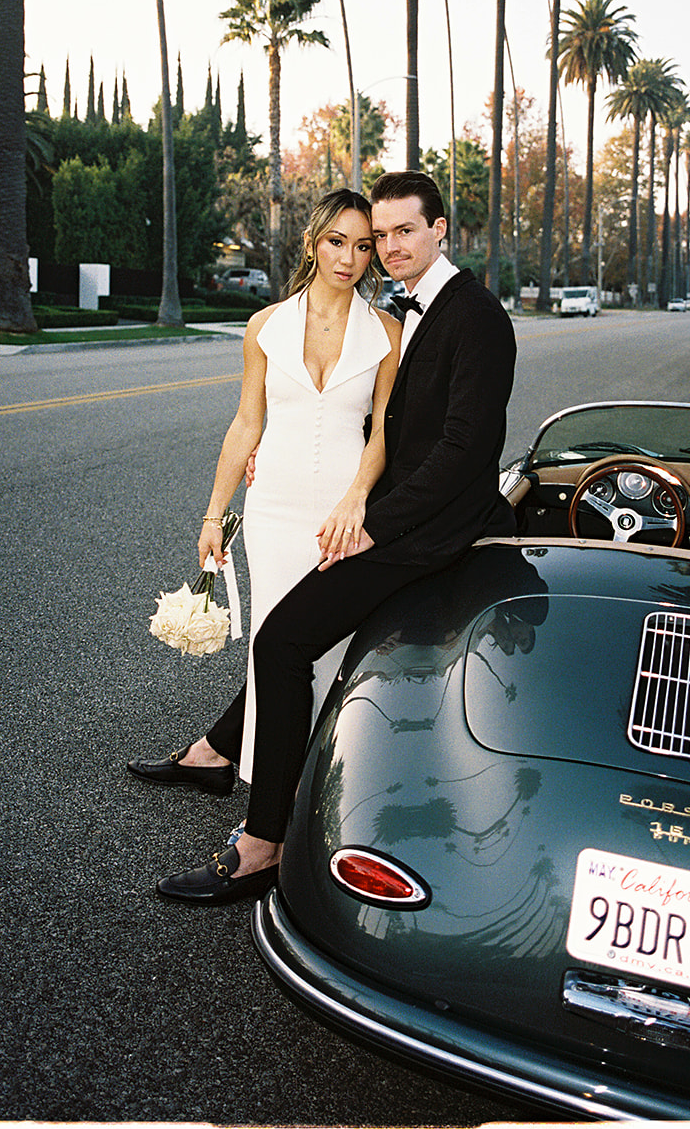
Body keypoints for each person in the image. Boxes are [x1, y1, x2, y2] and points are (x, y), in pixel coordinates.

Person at [155, 170, 519, 904]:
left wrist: (365, 516)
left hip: (421, 536)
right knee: (288, 634)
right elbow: (350, 423)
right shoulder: (412, 309)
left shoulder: (473, 316)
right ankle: (224, 754)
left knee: (282, 642)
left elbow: (459, 452)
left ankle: (262, 844)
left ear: (440, 229)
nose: (384, 249)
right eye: (375, 236)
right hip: (373, 515)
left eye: (400, 232)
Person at [128, 188, 401, 794]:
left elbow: (384, 426)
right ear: (311, 243)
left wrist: (358, 496)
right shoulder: (265, 326)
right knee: (271, 642)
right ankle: (259, 782)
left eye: (363, 246)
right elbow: (247, 421)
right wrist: (213, 515)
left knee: (328, 645)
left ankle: (309, 783)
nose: (349, 259)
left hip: (342, 509)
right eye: (336, 242)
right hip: (273, 507)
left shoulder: (386, 333)